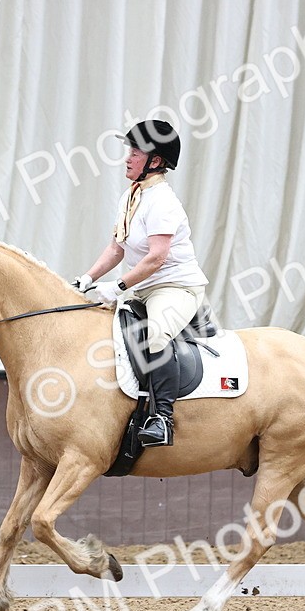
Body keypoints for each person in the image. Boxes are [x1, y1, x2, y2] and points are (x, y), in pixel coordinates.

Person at [72, 120, 208, 448]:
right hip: (144, 286)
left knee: (155, 335)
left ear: (156, 161)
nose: (128, 157)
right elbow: (116, 248)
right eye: (129, 150)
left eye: (136, 151)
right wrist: (87, 279)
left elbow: (157, 257)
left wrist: (116, 287)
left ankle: (162, 419)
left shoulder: (162, 201)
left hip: (175, 287)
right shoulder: (131, 195)